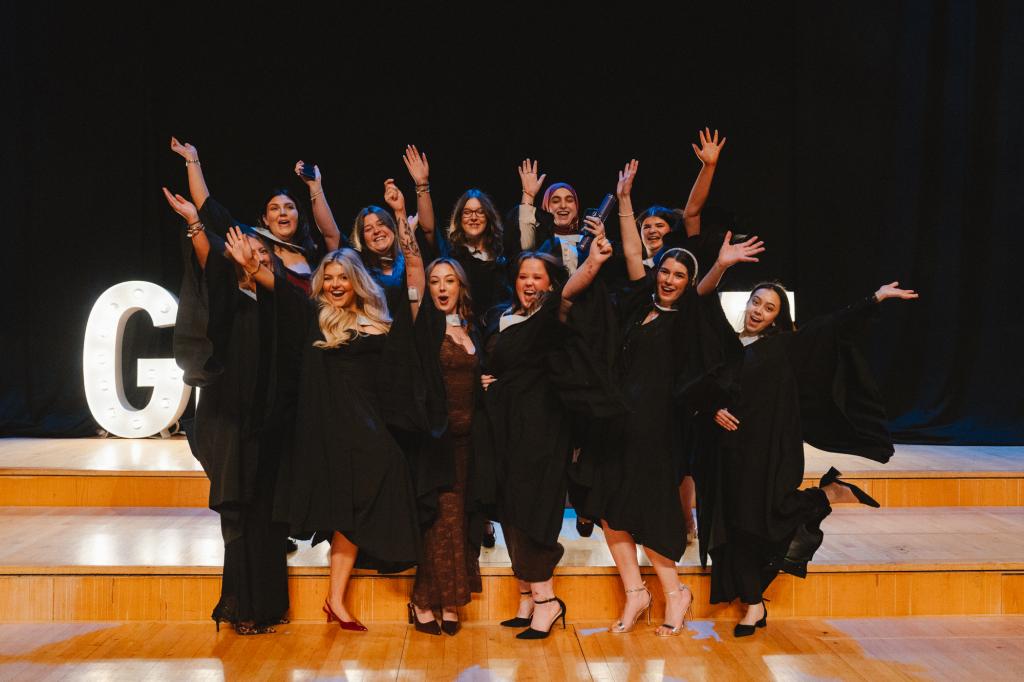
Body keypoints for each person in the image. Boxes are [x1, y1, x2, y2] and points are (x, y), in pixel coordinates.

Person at [573, 160, 764, 637]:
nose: (670, 279)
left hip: (658, 427)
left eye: (680, 274)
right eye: (667, 271)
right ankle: (636, 593)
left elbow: (703, 289)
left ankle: (674, 592)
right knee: (603, 502)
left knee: (653, 513)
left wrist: (718, 264)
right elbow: (634, 251)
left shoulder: (689, 318)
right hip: (618, 420)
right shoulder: (640, 304)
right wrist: (623, 201)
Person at [228, 180, 428, 632]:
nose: (336, 284)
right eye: (330, 278)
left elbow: (412, 294)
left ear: (357, 282)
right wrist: (249, 266)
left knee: (368, 495)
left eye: (343, 278)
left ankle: (337, 598)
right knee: (347, 505)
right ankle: (337, 599)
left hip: (368, 428)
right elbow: (277, 285)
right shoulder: (312, 313)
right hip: (327, 428)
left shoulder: (378, 324)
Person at [690, 280, 918, 637]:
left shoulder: (783, 346)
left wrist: (874, 298)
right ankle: (754, 604)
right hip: (725, 454)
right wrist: (712, 409)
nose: (758, 311)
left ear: (778, 318)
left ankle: (820, 499)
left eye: (769, 309)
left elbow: (831, 326)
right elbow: (702, 390)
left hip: (767, 454)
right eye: (756, 303)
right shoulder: (726, 344)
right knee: (732, 529)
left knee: (758, 524)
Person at [475, 238, 618, 640]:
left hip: (541, 428)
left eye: (538, 276)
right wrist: (486, 382)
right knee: (509, 509)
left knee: (534, 511)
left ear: (551, 284)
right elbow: (497, 366)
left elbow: (573, 290)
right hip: (504, 427)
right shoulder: (501, 317)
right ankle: (526, 596)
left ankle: (547, 601)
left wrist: (592, 262)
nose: (529, 282)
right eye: (523, 276)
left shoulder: (553, 315)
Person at [163, 187, 291, 635]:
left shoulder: (278, 305)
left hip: (267, 426)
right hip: (229, 425)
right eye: (246, 251)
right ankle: (241, 607)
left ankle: (270, 605)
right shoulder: (227, 300)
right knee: (237, 515)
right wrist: (196, 224)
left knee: (267, 517)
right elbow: (206, 260)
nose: (253, 258)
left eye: (262, 255)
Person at [407, 257, 485, 635]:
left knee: (458, 521)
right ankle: (425, 600)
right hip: (436, 441)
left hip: (469, 443)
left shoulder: (471, 327)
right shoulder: (427, 328)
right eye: (435, 281)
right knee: (441, 521)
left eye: (449, 281)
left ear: (460, 287)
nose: (441, 287)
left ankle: (449, 600)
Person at [168, 137, 342, 292]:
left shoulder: (313, 253)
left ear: (298, 215)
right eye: (274, 208)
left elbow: (331, 234)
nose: (282, 212)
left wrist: (315, 186)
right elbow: (208, 207)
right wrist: (192, 159)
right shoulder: (255, 242)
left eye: (289, 207)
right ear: (265, 219)